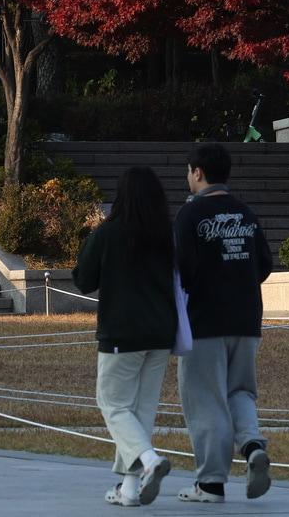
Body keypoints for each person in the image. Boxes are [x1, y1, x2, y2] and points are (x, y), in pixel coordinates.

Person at [173, 142, 274, 503]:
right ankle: (251, 446)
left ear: (197, 172)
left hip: (204, 320)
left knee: (206, 398)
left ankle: (211, 483)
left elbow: (182, 268)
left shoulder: (190, 216)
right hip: (247, 318)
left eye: (188, 171)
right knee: (240, 390)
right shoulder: (245, 213)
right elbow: (264, 263)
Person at [72, 166, 176, 507]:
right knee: (141, 411)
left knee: (113, 405)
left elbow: (84, 279)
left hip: (121, 332)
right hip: (161, 333)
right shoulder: (167, 235)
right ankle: (129, 491)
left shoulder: (109, 233)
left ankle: (149, 460)